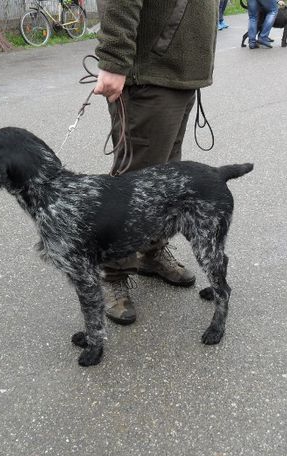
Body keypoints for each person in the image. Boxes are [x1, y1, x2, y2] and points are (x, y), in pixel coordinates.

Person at [92, 1, 218, 326]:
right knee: (133, 186)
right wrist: (115, 59)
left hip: (180, 72)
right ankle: (113, 273)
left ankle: (151, 251)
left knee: (165, 183)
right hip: (150, 71)